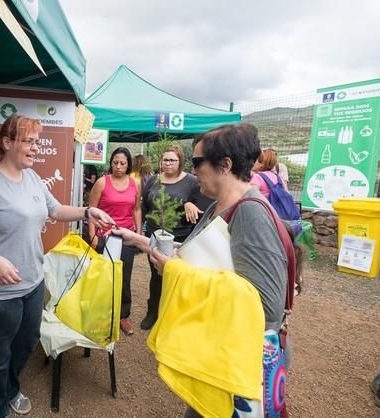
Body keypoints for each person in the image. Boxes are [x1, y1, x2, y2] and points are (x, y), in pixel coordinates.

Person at [0, 114, 114, 418]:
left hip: (32, 280)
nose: (36, 148)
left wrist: (88, 211)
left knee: (27, 341)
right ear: (7, 143)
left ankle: (8, 387)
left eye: (37, 141)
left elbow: (56, 210)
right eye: (29, 141)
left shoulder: (32, 178)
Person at [115, 123, 289, 417]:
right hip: (222, 345)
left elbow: (268, 305)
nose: (193, 171)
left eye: (197, 162)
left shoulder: (250, 212)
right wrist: (142, 241)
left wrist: (178, 271)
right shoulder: (219, 206)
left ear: (225, 165)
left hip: (240, 360)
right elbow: (196, 254)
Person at [139, 144, 206, 331]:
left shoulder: (192, 182)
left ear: (180, 162)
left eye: (172, 160)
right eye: (165, 160)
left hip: (180, 237)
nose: (168, 163)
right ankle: (153, 313)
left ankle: (175, 316)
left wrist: (190, 203)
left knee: (178, 277)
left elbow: (202, 204)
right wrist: (140, 232)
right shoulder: (153, 180)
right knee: (156, 276)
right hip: (155, 236)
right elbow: (145, 207)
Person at [88, 146, 142, 335]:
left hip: (126, 237)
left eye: (122, 163)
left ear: (128, 165)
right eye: (115, 163)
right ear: (111, 163)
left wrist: (138, 233)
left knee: (124, 277)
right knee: (103, 276)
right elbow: (91, 210)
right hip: (104, 236)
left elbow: (137, 209)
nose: (118, 166)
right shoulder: (103, 182)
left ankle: (122, 316)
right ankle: (100, 314)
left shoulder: (135, 183)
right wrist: (94, 238)